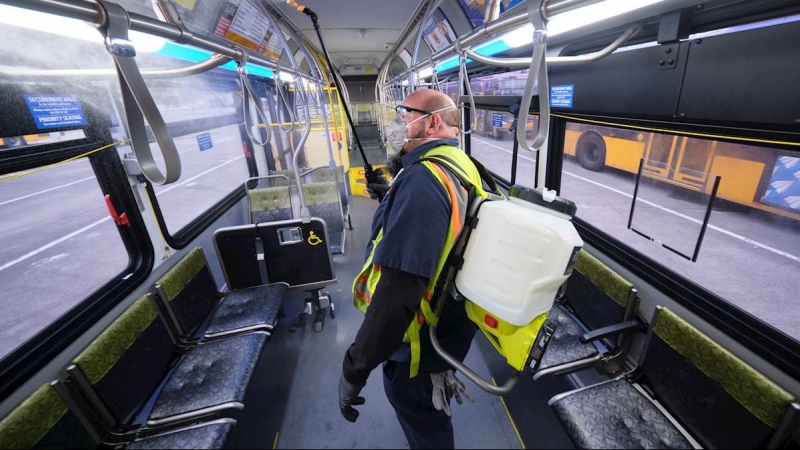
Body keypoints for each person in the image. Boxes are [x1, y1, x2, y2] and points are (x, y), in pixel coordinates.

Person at [339, 89, 489, 449]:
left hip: (418, 342)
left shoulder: (423, 181)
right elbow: (440, 226)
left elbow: (399, 292)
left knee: (425, 427)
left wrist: (355, 367)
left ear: (432, 121)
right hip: (449, 324)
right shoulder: (458, 162)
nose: (399, 124)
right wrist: (390, 194)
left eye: (405, 115)